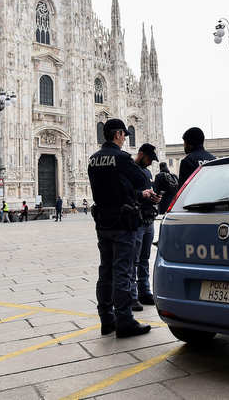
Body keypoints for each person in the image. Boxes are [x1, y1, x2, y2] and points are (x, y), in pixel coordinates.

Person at [88, 118, 160, 338]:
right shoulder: (121, 158)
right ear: (118, 134)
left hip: (103, 221)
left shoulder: (93, 159)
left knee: (105, 270)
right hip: (123, 221)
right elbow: (140, 180)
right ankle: (125, 320)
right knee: (123, 270)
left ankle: (106, 319)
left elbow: (112, 187)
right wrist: (142, 193)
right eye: (124, 134)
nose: (124, 138)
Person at [131, 143, 159, 310]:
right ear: (141, 154)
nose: (150, 162)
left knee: (144, 258)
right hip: (137, 219)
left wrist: (155, 198)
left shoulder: (148, 172)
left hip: (149, 219)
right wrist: (142, 195)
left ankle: (145, 291)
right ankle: (132, 295)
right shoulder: (131, 170)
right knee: (133, 259)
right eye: (149, 158)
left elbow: (150, 190)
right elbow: (128, 193)